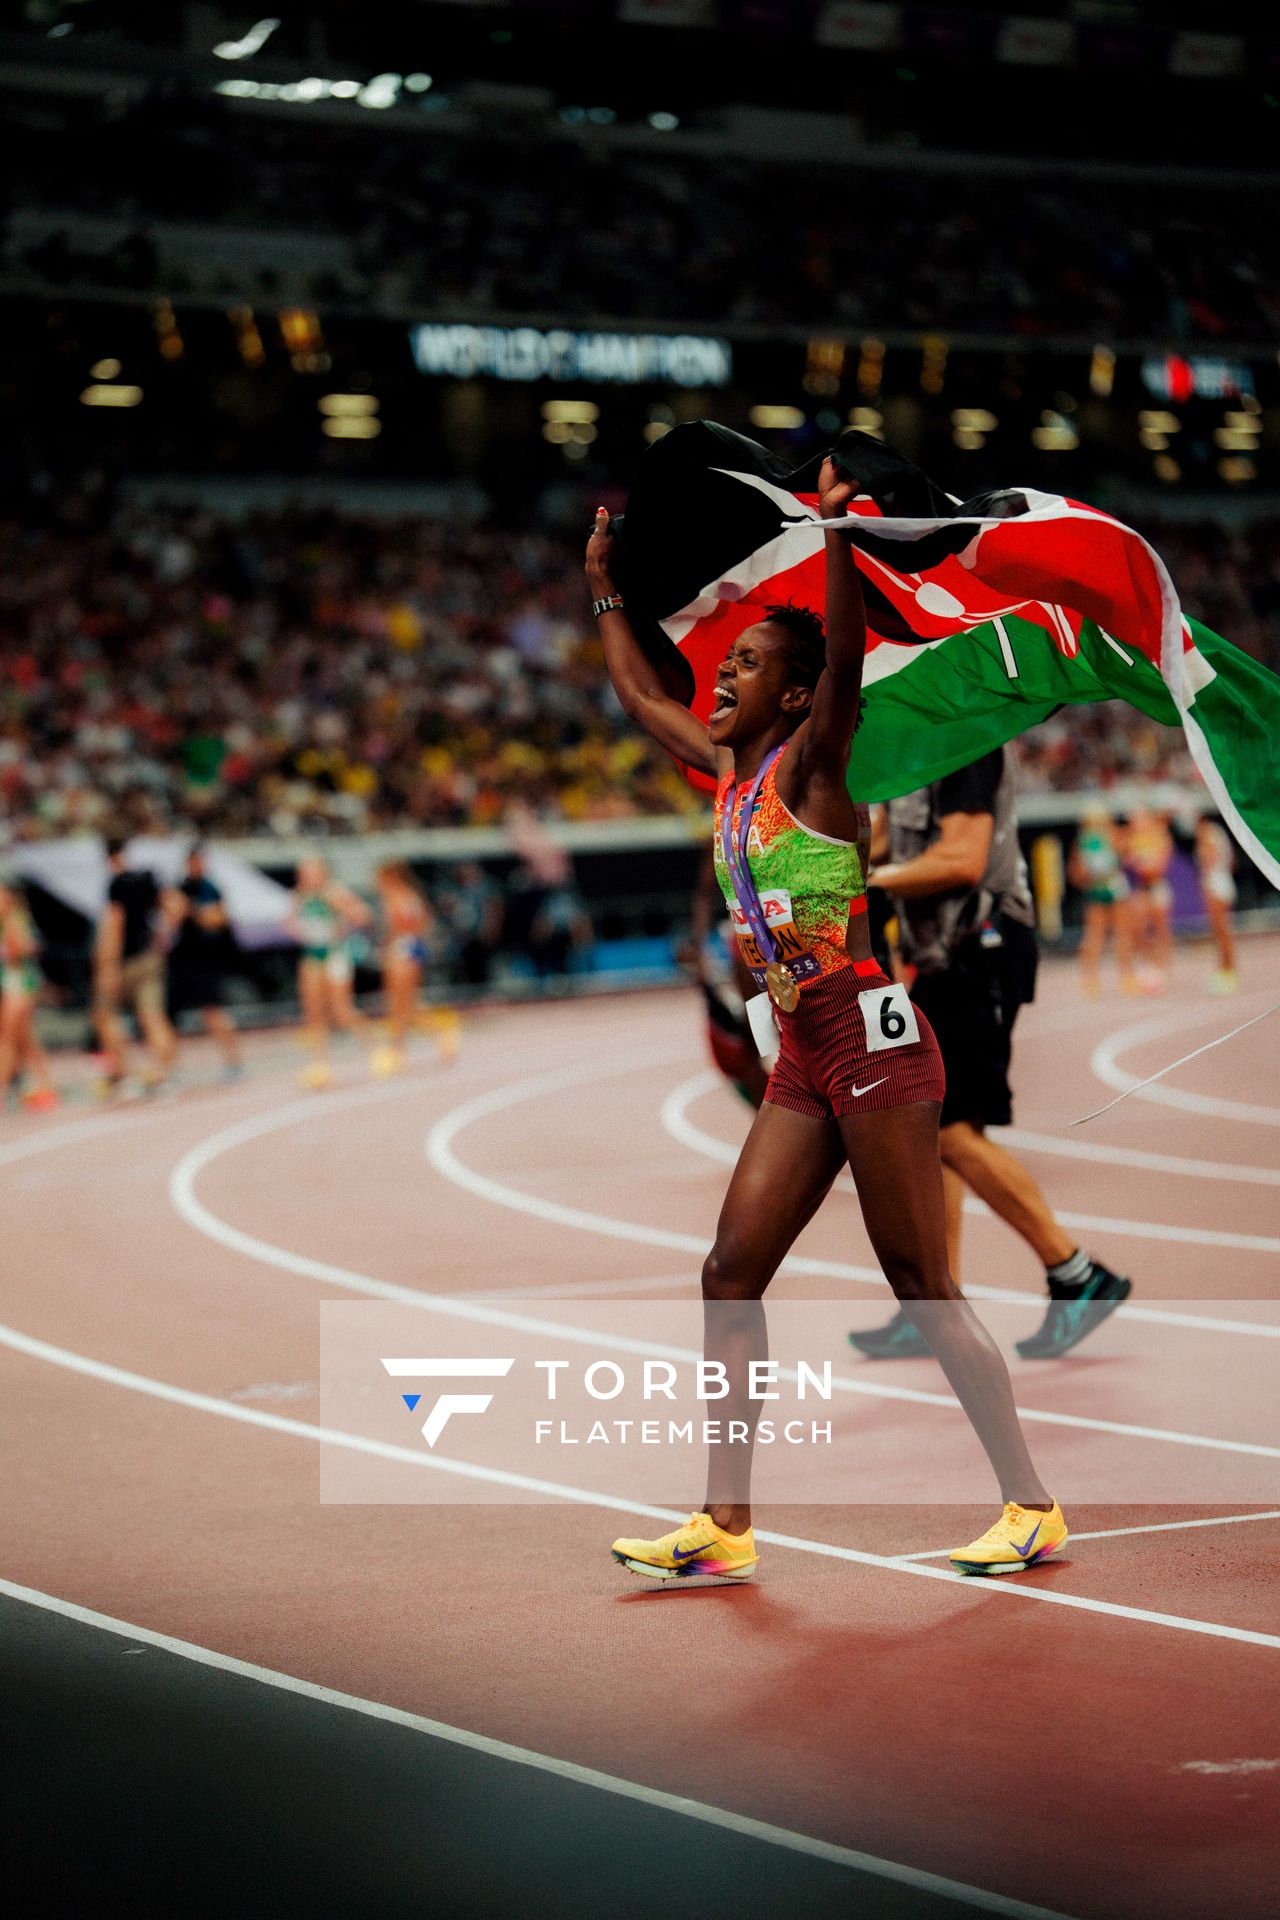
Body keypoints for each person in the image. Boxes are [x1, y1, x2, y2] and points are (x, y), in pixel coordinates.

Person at [587, 473, 1067, 1583]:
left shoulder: (814, 772)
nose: (718, 683)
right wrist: (604, 592)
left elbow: (844, 663)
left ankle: (1030, 1506)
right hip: (800, 1049)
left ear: (796, 700)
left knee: (918, 1279)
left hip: (871, 1037)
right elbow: (638, 698)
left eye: (745, 668)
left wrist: (840, 541)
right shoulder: (726, 772)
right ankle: (723, 1525)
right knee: (727, 1269)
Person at [850, 751, 1132, 1364]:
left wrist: (860, 881)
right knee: (932, 1133)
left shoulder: (965, 746)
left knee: (948, 1130)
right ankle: (933, 1306)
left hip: (983, 949)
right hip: (939, 956)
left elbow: (963, 858)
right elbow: (885, 848)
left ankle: (1076, 1272)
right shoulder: (906, 754)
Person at [93, 835, 178, 1094]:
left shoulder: (117, 884)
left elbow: (114, 926)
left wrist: (107, 967)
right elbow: (176, 904)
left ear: (109, 857)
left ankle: (124, 1075)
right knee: (153, 1017)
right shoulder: (146, 879)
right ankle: (162, 1075)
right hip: (149, 957)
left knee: (105, 1015)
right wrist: (163, 934)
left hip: (126, 961)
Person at [288, 856, 371, 1090]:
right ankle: (321, 1065)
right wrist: (297, 929)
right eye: (302, 873)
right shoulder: (299, 895)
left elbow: (363, 914)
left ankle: (374, 1048)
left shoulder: (335, 891)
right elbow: (289, 922)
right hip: (312, 955)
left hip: (335, 954)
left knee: (341, 1010)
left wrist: (343, 920)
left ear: (322, 873)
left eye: (310, 872)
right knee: (313, 1011)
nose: (306, 877)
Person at [371, 862, 459, 1075]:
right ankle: (437, 1037)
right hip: (412, 948)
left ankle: (399, 1050)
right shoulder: (411, 896)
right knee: (405, 1003)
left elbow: (397, 928)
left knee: (399, 1003)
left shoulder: (395, 898)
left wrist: (389, 948)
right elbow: (424, 921)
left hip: (402, 950)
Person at [168, 844, 243, 1081]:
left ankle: (233, 1062)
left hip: (206, 958)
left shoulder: (209, 888)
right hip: (183, 959)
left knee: (212, 1011)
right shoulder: (180, 887)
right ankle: (171, 1067)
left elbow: (216, 919)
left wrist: (190, 910)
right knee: (167, 1015)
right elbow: (170, 919)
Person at [0, 877, 57, 1111]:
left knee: (8, 1039)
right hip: (15, 986)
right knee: (26, 1041)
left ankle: (2, 1088)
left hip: (19, 986)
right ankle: (45, 1086)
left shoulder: (14, 920)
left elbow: (23, 950)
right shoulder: (9, 922)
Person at [1070, 809, 1137, 997]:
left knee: (1096, 936)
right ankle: (1125, 979)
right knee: (1118, 935)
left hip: (1099, 889)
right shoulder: (1110, 834)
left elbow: (1077, 874)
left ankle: (1091, 982)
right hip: (1111, 889)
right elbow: (1127, 852)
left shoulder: (1084, 841)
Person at [1124, 808, 1174, 993]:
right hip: (1141, 889)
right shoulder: (1133, 838)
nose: (1135, 823)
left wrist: (1142, 865)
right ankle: (1148, 966)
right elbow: (1128, 860)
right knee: (1139, 929)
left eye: (1138, 819)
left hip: (1157, 887)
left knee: (1161, 930)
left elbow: (1158, 867)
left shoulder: (1160, 836)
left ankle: (1162, 969)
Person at [1194, 814, 1239, 993]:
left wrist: (1206, 875)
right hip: (1224, 879)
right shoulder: (1219, 833)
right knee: (1223, 931)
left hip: (1215, 882)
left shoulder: (1206, 833)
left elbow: (1208, 857)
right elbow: (1232, 861)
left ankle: (1227, 972)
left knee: (1221, 931)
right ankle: (1226, 970)